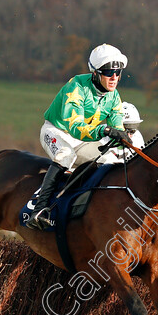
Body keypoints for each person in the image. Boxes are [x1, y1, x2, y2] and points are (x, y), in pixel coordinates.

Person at [27, 43, 130, 230]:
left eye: (118, 72)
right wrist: (104, 131)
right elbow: (75, 127)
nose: (114, 77)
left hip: (83, 140)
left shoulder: (114, 96)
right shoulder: (76, 86)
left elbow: (117, 128)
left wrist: (124, 141)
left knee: (108, 160)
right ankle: (39, 210)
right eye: (109, 72)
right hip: (56, 131)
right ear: (96, 73)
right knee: (65, 154)